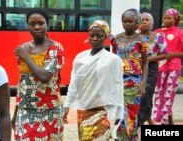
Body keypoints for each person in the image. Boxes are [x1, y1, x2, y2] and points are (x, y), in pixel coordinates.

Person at [63, 20, 124, 141]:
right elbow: (74, 84)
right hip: (84, 109)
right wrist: (67, 105)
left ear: (105, 37)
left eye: (99, 36)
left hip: (104, 110)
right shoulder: (80, 57)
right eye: (92, 35)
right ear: (88, 36)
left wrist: (117, 113)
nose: (95, 39)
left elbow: (118, 87)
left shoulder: (113, 60)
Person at [12, 9, 65, 141]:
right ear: (28, 26)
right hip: (25, 111)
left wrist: (25, 56)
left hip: (50, 111)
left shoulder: (56, 48)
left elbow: (45, 77)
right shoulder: (24, 47)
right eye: (32, 23)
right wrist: (15, 113)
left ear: (47, 24)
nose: (36, 27)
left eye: (41, 23)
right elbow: (22, 84)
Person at [110, 8, 149, 141]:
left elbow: (145, 63)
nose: (127, 24)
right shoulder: (115, 39)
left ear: (136, 22)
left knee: (132, 115)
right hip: (118, 81)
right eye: (124, 21)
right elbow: (113, 61)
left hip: (134, 83)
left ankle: (131, 138)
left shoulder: (142, 40)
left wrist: (143, 84)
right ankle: (119, 138)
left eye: (130, 21)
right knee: (118, 112)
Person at [152, 8, 183, 125]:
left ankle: (162, 121)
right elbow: (153, 50)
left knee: (168, 94)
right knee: (158, 93)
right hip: (160, 67)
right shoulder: (158, 32)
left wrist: (173, 54)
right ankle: (162, 119)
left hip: (174, 68)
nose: (166, 20)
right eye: (165, 18)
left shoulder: (180, 32)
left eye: (169, 18)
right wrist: (159, 54)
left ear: (175, 19)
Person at [137, 12, 168, 126]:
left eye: (147, 20)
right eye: (142, 20)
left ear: (152, 23)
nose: (144, 22)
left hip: (152, 68)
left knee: (147, 94)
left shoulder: (158, 36)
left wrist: (149, 60)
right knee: (138, 95)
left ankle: (141, 121)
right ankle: (147, 119)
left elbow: (166, 54)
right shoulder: (134, 37)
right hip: (136, 69)